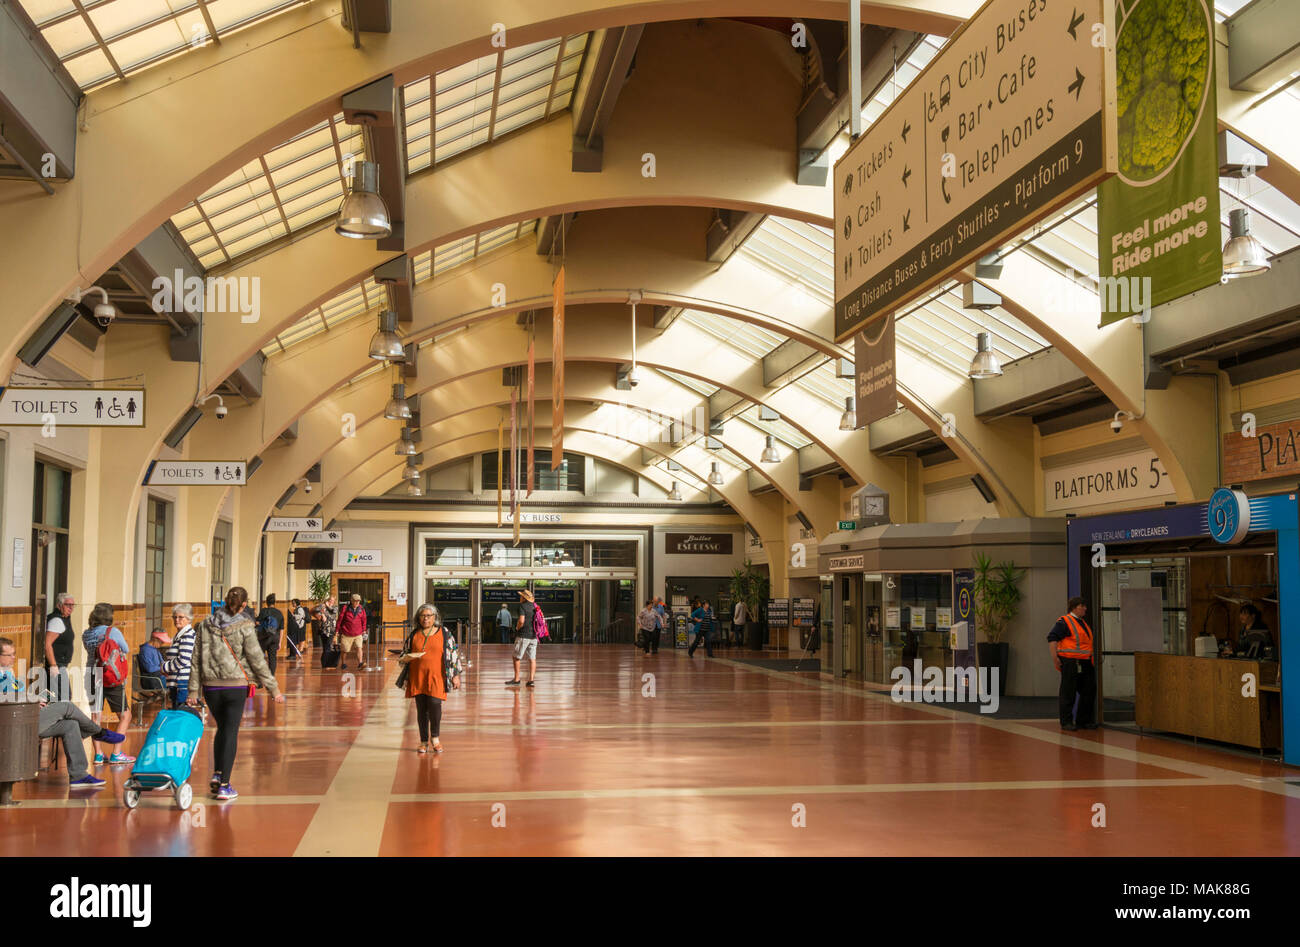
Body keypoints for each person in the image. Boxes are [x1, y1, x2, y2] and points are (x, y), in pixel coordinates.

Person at [187, 587, 284, 801]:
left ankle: (218, 773)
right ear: (243, 606)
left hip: (211, 687)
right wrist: (273, 688)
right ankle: (224, 785)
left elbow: (195, 659)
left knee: (222, 729)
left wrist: (193, 690)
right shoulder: (246, 627)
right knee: (230, 731)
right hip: (235, 686)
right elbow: (257, 659)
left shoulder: (205, 626)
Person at [0, 637, 127, 789]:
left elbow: (17, 695)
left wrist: (34, 699)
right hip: (13, 725)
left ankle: (79, 775)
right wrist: (29, 700)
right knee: (66, 706)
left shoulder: (8, 672)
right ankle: (97, 732)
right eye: (10, 655)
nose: (14, 658)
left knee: (70, 725)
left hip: (26, 717)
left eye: (14, 654)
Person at [400, 604, 461, 754]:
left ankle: (435, 738)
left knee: (435, 705)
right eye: (422, 616)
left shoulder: (445, 633)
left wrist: (456, 675)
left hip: (437, 677)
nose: (425, 618)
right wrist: (405, 658)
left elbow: (453, 654)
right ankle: (423, 741)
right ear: (418, 618)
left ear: (435, 618)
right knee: (422, 710)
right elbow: (403, 655)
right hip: (418, 677)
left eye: (428, 616)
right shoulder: (414, 634)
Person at [82, 603, 134, 765]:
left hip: (91, 676)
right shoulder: (113, 632)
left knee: (95, 716)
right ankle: (116, 753)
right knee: (125, 715)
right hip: (110, 677)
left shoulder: (86, 634)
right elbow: (125, 649)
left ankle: (98, 754)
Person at [1048, 596, 1096, 731]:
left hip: (1084, 662)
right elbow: (1052, 638)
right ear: (1075, 607)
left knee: (1089, 690)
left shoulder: (1082, 623)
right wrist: (1055, 658)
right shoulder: (1065, 621)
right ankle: (1066, 722)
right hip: (1070, 661)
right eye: (1083, 606)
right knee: (1068, 692)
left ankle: (1083, 721)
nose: (1085, 609)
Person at [43, 592, 76, 701]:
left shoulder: (64, 618)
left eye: (73, 605)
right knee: (64, 696)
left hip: (59, 664)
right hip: (56, 664)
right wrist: (53, 665)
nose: (71, 608)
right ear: (59, 605)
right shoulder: (57, 620)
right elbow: (47, 644)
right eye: (68, 605)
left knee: (54, 695)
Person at [163, 604, 197, 708]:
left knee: (181, 713)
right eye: (175, 617)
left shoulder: (187, 635)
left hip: (182, 683)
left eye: (180, 617)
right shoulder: (180, 634)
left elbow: (183, 659)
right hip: (177, 682)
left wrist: (164, 667)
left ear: (189, 619)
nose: (177, 620)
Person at [507, 589, 538, 687]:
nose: (520, 598)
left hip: (523, 635)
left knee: (516, 657)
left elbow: (521, 620)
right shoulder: (535, 606)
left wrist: (517, 627)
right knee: (532, 658)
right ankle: (531, 680)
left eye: (521, 596)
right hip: (534, 636)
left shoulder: (522, 606)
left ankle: (516, 679)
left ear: (524, 598)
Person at [335, 594, 368, 671]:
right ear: (351, 601)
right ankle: (343, 663)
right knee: (345, 650)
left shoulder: (361, 609)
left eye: (358, 601)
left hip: (358, 633)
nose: (357, 602)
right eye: (355, 601)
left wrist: (364, 630)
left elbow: (364, 620)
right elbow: (340, 620)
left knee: (359, 647)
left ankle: (360, 663)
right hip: (346, 633)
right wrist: (337, 631)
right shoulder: (345, 608)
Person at [256, 594, 285, 676]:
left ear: (267, 602)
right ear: (274, 602)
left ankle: (261, 680)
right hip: (275, 638)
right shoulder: (279, 613)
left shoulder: (263, 611)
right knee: (272, 659)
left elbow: (257, 622)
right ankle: (271, 678)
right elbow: (282, 629)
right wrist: (280, 642)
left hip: (263, 638)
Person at [286, 598, 308, 662]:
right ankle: (296, 652)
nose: (293, 604)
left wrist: (293, 616)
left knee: (299, 638)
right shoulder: (296, 609)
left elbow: (301, 616)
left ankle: (298, 652)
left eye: (294, 603)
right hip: (297, 626)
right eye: (292, 603)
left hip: (300, 626)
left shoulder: (300, 609)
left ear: (297, 603)